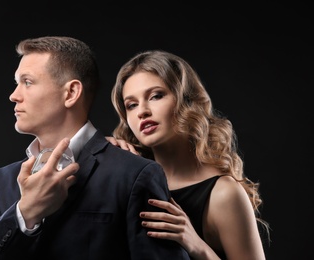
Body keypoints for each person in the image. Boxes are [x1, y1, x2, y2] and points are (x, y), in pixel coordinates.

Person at [0, 37, 190, 259]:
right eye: (16, 84)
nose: (14, 96)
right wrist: (24, 214)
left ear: (71, 93)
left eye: (27, 82)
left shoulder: (134, 174)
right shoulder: (1, 182)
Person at [108, 50, 271, 259]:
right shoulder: (128, 178)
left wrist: (195, 244)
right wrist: (101, 155)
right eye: (131, 105)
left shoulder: (223, 194)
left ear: (187, 101)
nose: (142, 111)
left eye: (156, 96)